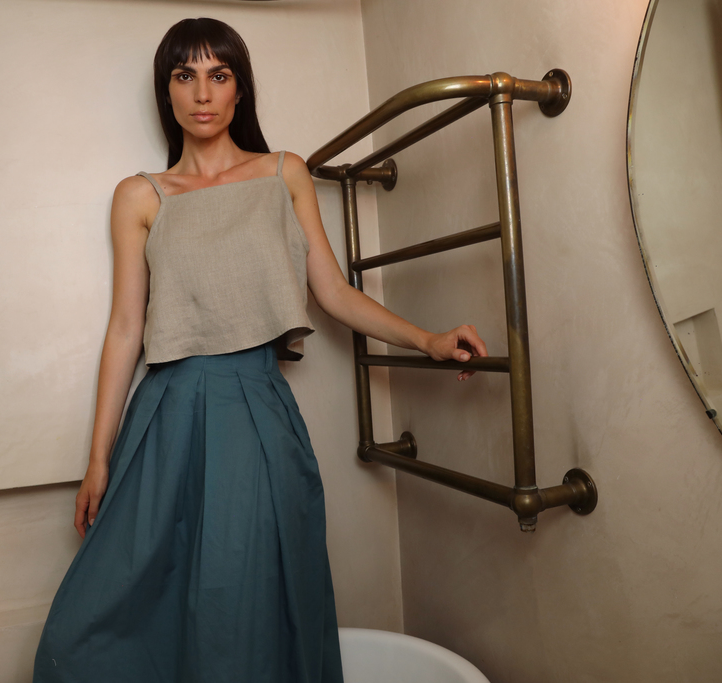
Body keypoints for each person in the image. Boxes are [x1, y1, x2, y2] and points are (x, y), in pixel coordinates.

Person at [32, 16, 487, 683]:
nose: (202, 92)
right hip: (165, 416)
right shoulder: (139, 196)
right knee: (101, 614)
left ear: (239, 89)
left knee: (239, 606)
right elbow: (126, 328)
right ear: (166, 90)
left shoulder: (283, 174)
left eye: (218, 74)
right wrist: (98, 459)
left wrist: (428, 339)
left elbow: (333, 291)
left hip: (255, 413)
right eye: (184, 75)